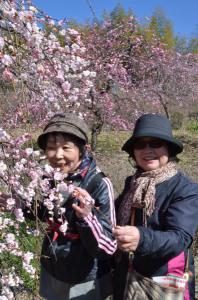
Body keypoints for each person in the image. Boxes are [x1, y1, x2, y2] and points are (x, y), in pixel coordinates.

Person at [2, 113, 117, 300]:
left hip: (85, 276)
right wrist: (20, 206)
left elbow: (108, 246)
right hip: (53, 266)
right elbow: (46, 212)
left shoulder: (99, 184)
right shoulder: (50, 178)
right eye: (51, 148)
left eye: (66, 148)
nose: (58, 155)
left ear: (82, 149)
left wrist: (87, 217)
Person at [113, 113, 198, 300]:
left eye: (155, 143)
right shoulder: (133, 183)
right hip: (127, 277)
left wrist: (141, 238)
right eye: (140, 144)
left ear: (168, 148)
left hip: (164, 280)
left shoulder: (185, 189)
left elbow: (180, 238)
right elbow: (114, 216)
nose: (147, 150)